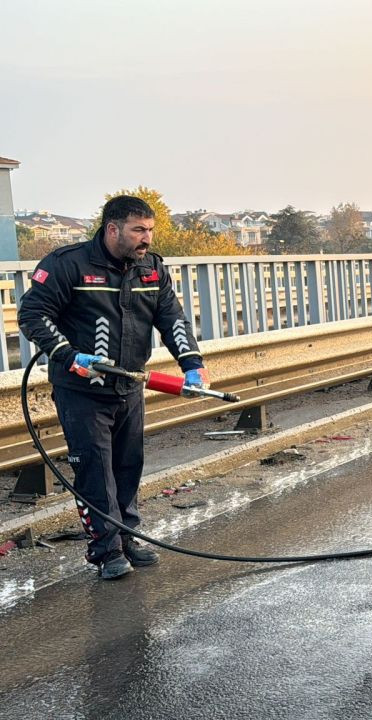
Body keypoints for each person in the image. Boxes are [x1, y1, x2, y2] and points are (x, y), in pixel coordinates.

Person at [17, 195, 209, 579]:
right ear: (112, 229)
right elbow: (32, 313)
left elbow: (171, 318)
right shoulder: (67, 264)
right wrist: (69, 355)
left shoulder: (151, 269)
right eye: (139, 230)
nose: (147, 239)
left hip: (130, 386)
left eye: (150, 230)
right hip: (81, 391)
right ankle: (105, 551)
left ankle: (126, 537)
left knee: (127, 466)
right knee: (94, 471)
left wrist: (192, 364)